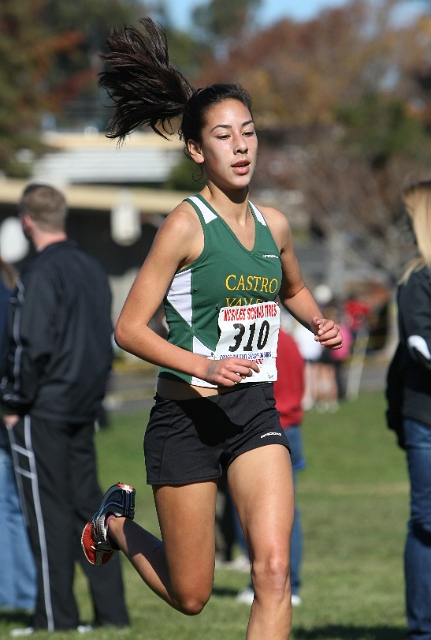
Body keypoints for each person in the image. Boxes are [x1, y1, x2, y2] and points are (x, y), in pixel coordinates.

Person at [81, 17, 342, 640]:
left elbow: (294, 288)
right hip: (186, 422)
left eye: (248, 133)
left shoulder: (275, 225)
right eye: (225, 136)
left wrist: (318, 322)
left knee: (273, 570)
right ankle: (113, 524)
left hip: (253, 412)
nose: (242, 145)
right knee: (193, 594)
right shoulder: (184, 225)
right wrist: (202, 365)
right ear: (199, 151)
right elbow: (129, 328)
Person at [0, 184, 130, 634]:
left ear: (27, 221)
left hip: (45, 408)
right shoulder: (91, 268)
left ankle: (55, 619)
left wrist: (14, 402)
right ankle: (112, 614)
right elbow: (103, 340)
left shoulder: (39, 272)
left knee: (45, 516)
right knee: (88, 512)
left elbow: (28, 345)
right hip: (83, 406)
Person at [387, 180, 431, 640]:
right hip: (426, 419)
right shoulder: (417, 280)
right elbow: (420, 346)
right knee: (427, 522)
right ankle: (423, 630)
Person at [237, 315, 306, 607]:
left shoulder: (257, 345)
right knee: (287, 511)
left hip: (263, 429)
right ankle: (292, 582)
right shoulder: (291, 343)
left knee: (249, 512)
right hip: (292, 426)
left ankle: (264, 580)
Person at [0, 260, 37, 613]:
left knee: (9, 508)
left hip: (7, 421)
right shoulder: (12, 292)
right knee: (12, 508)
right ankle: (21, 596)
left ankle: (21, 596)